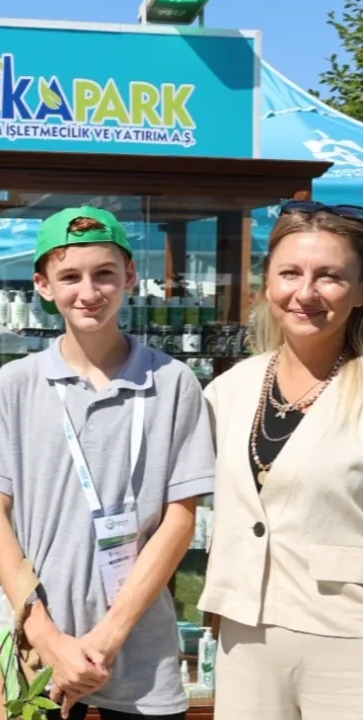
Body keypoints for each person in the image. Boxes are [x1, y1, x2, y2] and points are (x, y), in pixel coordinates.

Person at [0, 207, 213, 720]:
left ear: (129, 276)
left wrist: (107, 637)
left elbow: (180, 520)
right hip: (38, 651)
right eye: (70, 277)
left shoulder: (173, 383)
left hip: (139, 650)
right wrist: (45, 635)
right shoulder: (15, 384)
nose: (89, 292)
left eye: (104, 274)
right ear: (43, 285)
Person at [200, 202, 363, 720]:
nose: (306, 292)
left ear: (360, 290)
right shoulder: (230, 389)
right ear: (267, 284)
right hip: (243, 636)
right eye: (290, 273)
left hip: (348, 639)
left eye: (330, 276)